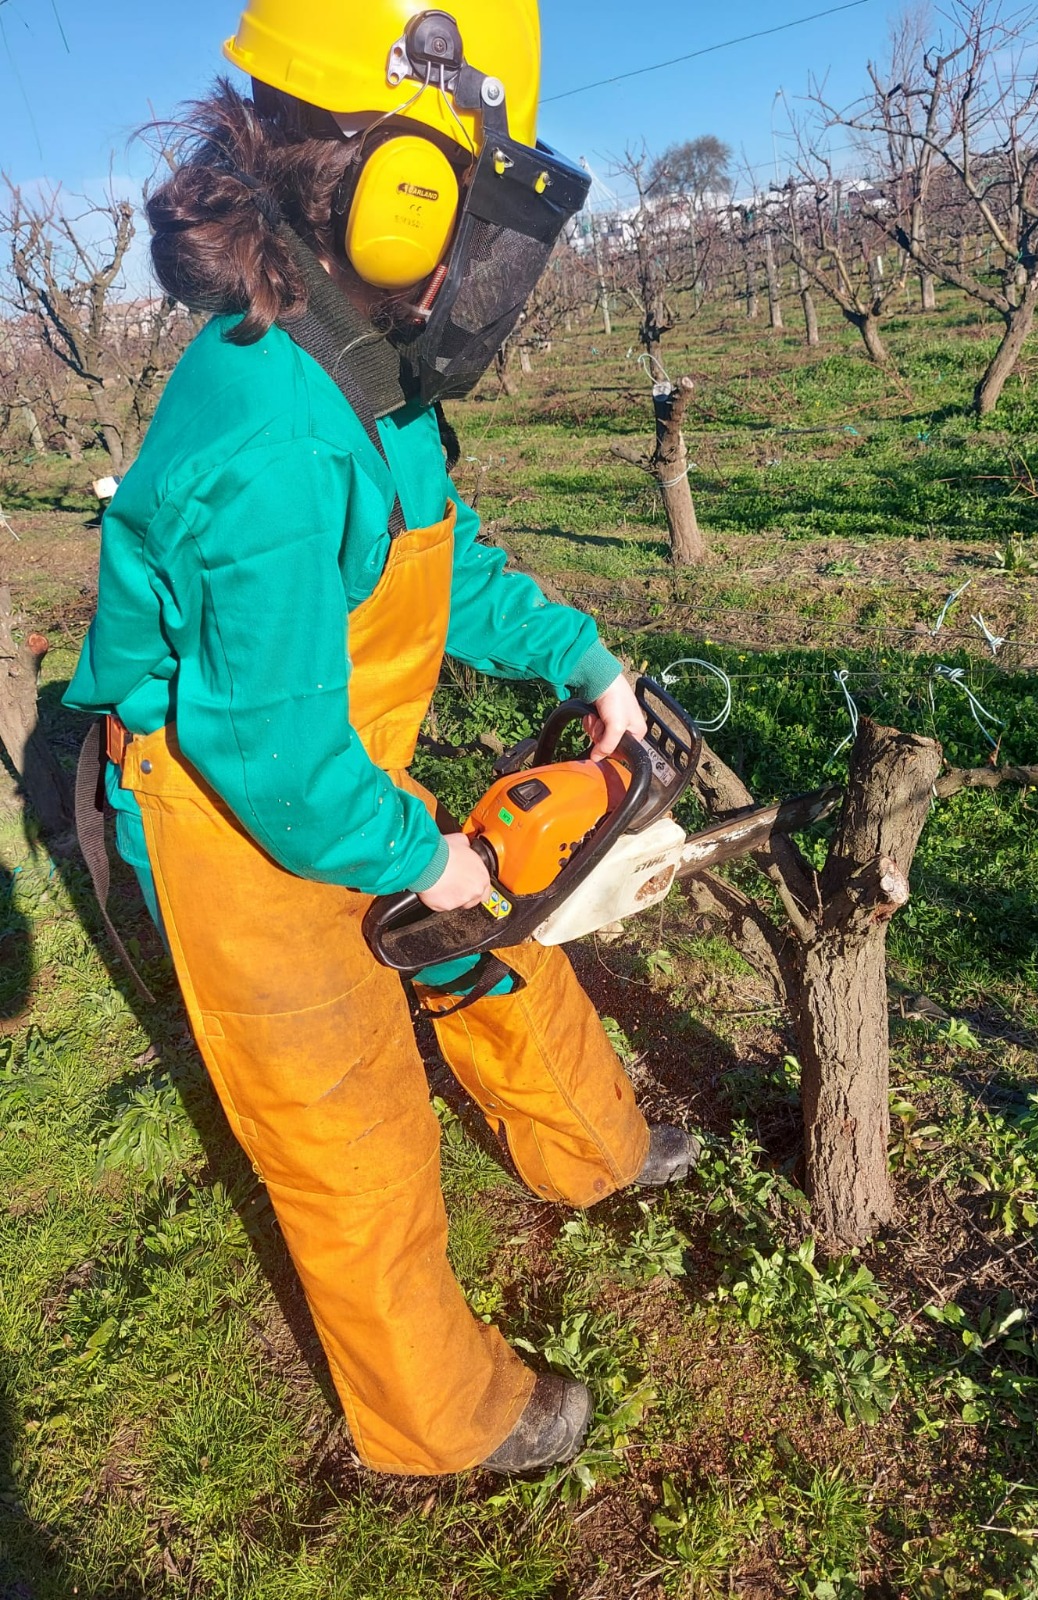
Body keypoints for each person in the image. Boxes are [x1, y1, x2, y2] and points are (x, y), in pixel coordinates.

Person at [65, 0, 699, 1478]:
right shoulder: (267, 430)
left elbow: (443, 558)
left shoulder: (358, 354)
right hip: (234, 815)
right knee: (346, 1120)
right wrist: (424, 848)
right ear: (401, 189)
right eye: (477, 190)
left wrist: (580, 655)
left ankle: (595, 1151)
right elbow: (269, 757)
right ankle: (441, 1421)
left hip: (335, 754)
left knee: (493, 946)